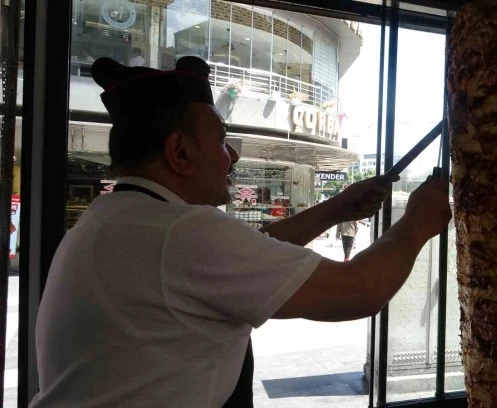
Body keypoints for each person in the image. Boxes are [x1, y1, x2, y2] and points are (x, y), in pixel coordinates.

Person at [30, 57, 451, 408]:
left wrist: (336, 207)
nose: (232, 156)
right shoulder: (179, 231)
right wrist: (417, 222)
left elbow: (255, 249)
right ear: (180, 152)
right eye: (221, 140)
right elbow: (358, 290)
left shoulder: (118, 216)